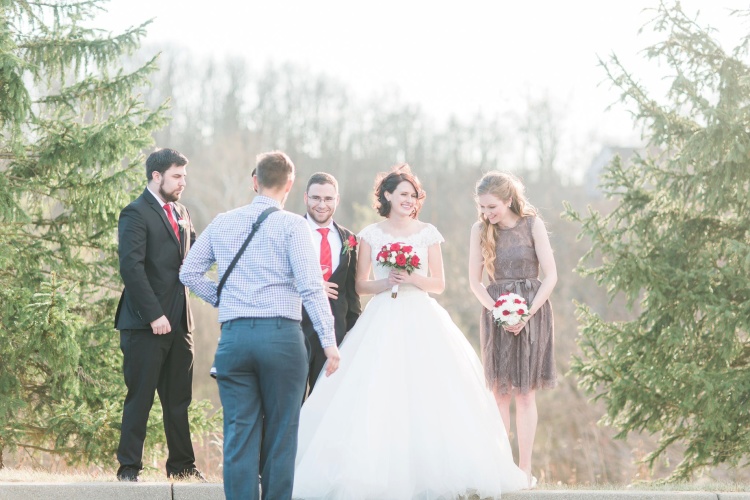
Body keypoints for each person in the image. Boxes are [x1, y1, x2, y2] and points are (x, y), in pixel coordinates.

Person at [293, 164, 528, 499]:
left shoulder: (427, 232)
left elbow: (439, 283)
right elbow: (360, 284)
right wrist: (387, 280)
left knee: (430, 389)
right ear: (387, 195)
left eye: (414, 195)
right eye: (403, 194)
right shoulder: (370, 234)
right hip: (382, 315)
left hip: (421, 313)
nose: (409, 200)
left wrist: (413, 278)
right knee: (376, 389)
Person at [179, 151, 340, 500]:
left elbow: (188, 272)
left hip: (234, 340)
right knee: (282, 433)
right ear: (291, 185)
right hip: (282, 338)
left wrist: (224, 299)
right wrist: (329, 342)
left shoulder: (223, 222)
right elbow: (312, 287)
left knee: (239, 432)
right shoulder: (293, 226)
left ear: (255, 181)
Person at [114, 148, 204, 482]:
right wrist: (154, 315)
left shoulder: (182, 212)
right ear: (157, 176)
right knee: (140, 397)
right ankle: (129, 468)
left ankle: (182, 466)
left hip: (181, 323)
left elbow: (194, 257)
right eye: (177, 176)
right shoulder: (135, 213)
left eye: (184, 175)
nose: (183, 182)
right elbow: (131, 268)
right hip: (143, 323)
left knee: (179, 399)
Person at [468, 171, 558, 488]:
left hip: (533, 314)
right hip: (497, 316)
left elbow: (551, 276)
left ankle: (524, 469)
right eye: (482, 207)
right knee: (500, 394)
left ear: (508, 200)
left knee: (525, 395)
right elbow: (474, 282)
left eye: (491, 207)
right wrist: (500, 313)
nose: (486, 213)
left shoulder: (532, 224)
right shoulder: (480, 230)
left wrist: (528, 312)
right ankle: (501, 467)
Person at [302, 172, 361, 395]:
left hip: (335, 335)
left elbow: (351, 293)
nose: (321, 204)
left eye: (328, 199)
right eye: (316, 198)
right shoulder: (291, 231)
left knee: (324, 400)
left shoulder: (349, 239)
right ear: (306, 197)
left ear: (337, 200)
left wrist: (352, 334)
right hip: (297, 329)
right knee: (293, 402)